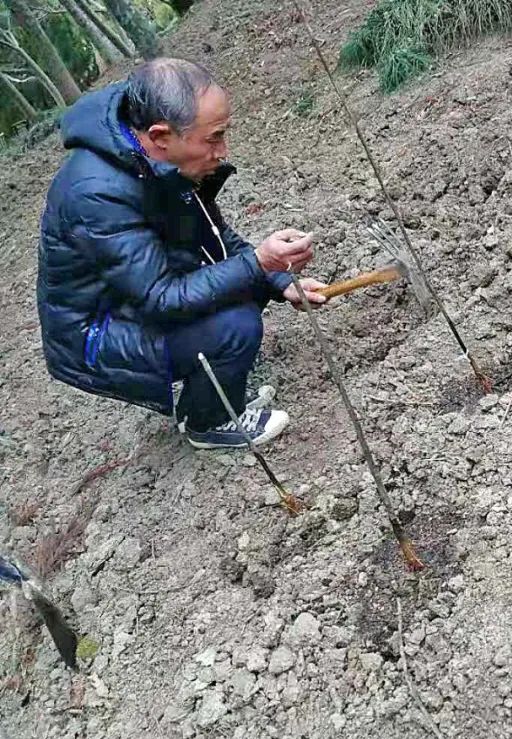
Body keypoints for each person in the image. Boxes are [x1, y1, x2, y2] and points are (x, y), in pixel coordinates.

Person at [37, 58, 327, 449]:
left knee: (247, 283)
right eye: (213, 138)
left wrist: (278, 280)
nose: (223, 152)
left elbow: (214, 238)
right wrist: (259, 263)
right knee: (236, 324)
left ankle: (207, 397)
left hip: (133, 295)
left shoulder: (154, 160)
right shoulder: (97, 194)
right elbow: (162, 299)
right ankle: (209, 423)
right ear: (160, 136)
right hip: (95, 334)